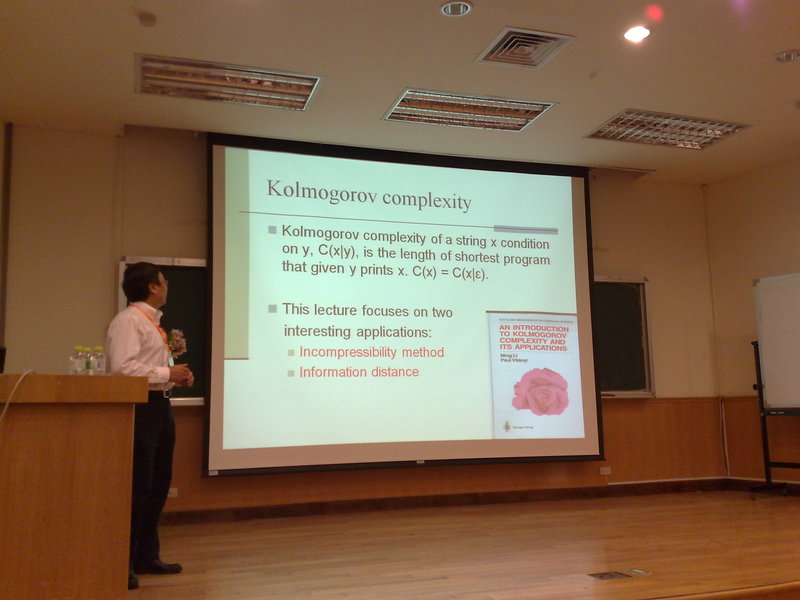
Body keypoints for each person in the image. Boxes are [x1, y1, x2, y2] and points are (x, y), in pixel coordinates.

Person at [106, 262, 194, 590]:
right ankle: (124, 562)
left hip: (160, 405)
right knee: (139, 487)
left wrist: (175, 376)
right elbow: (122, 369)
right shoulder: (129, 321)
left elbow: (151, 367)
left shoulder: (154, 323)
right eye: (163, 281)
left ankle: (147, 556)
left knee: (158, 484)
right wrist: (166, 374)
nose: (167, 285)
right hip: (140, 409)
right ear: (152, 286)